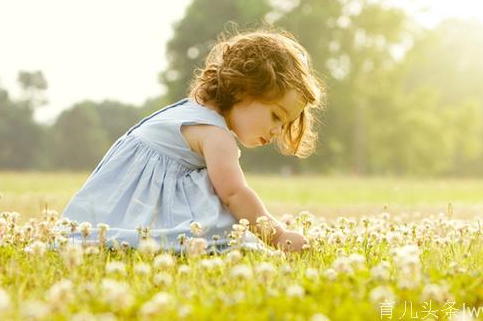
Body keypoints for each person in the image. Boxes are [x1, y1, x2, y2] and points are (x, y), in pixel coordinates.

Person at [61, 27, 324, 254]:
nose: (277, 130)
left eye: (284, 124)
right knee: (217, 236)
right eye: (276, 115)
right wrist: (277, 236)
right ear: (244, 88)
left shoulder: (192, 110)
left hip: (113, 209)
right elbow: (234, 194)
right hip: (145, 208)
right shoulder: (216, 135)